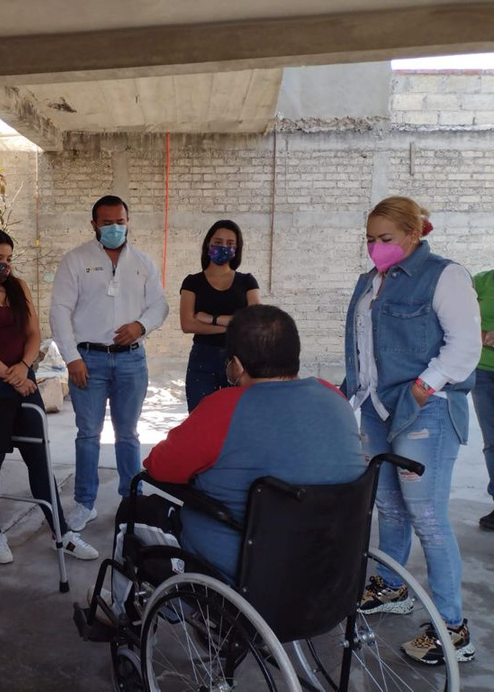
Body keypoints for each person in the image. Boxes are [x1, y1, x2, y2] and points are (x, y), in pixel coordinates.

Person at [341, 196, 480, 665]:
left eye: (385, 238)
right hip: (377, 408)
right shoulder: (370, 281)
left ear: (414, 234)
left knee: (428, 518)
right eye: (369, 239)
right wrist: (350, 391)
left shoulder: (445, 276)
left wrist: (422, 389)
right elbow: (365, 347)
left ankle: (452, 630)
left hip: (425, 412)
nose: (375, 247)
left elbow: (464, 347)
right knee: (388, 506)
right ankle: (393, 587)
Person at [143, 305, 365, 583]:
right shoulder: (334, 397)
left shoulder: (223, 407)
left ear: (236, 365)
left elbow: (159, 466)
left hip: (245, 567)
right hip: (330, 561)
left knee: (138, 508)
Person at [0, 228, 98, 564]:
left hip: (23, 379)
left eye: (8, 259)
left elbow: (34, 333)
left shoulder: (18, 287)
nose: (4, 265)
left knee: (38, 456)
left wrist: (23, 367)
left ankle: (62, 533)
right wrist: (10, 375)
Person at [49, 195, 169, 532]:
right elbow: (59, 310)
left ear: (128, 222)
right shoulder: (76, 260)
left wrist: (141, 326)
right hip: (88, 361)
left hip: (131, 361)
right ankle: (84, 503)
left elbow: (159, 305)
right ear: (94, 225)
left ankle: (132, 502)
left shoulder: (142, 262)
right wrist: (72, 358)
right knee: (88, 434)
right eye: (107, 223)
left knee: (128, 434)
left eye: (120, 222)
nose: (115, 228)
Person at [179, 220, 260, 411]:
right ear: (208, 244)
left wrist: (212, 319)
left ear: (237, 249)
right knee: (201, 418)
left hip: (239, 359)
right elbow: (187, 324)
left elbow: (255, 321)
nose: (224, 247)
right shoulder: (192, 282)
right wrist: (234, 325)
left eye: (230, 244)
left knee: (236, 418)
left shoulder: (247, 281)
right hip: (202, 358)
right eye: (218, 242)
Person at [471, 268, 494, 530]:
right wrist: (486, 336)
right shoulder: (481, 282)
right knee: (492, 442)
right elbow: (460, 322)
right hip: (484, 372)